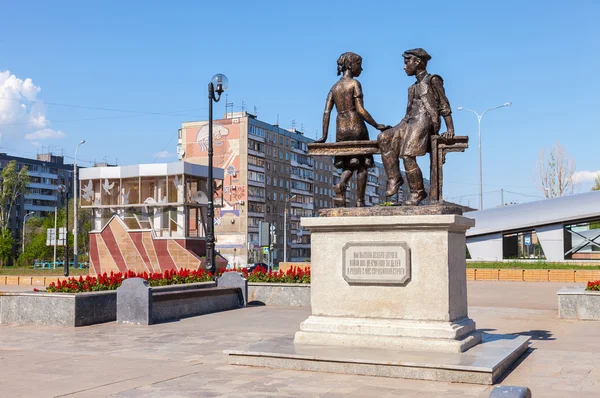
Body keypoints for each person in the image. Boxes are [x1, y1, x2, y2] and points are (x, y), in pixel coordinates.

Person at [377, 48, 455, 206]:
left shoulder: (433, 80)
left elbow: (443, 104)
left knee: (407, 154)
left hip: (425, 120)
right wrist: (394, 129)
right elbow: (407, 113)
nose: (404, 66)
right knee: (383, 137)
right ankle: (395, 178)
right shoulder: (412, 88)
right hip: (410, 121)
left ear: (418, 62)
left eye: (407, 62)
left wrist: (450, 128)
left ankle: (418, 191)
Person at [315, 52, 388, 207]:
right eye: (359, 64)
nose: (361, 68)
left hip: (341, 129)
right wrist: (376, 125)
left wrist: (324, 135)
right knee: (362, 165)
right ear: (350, 65)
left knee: (348, 164)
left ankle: (341, 183)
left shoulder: (334, 87)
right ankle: (360, 202)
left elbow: (326, 112)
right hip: (356, 126)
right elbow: (360, 109)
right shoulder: (354, 84)